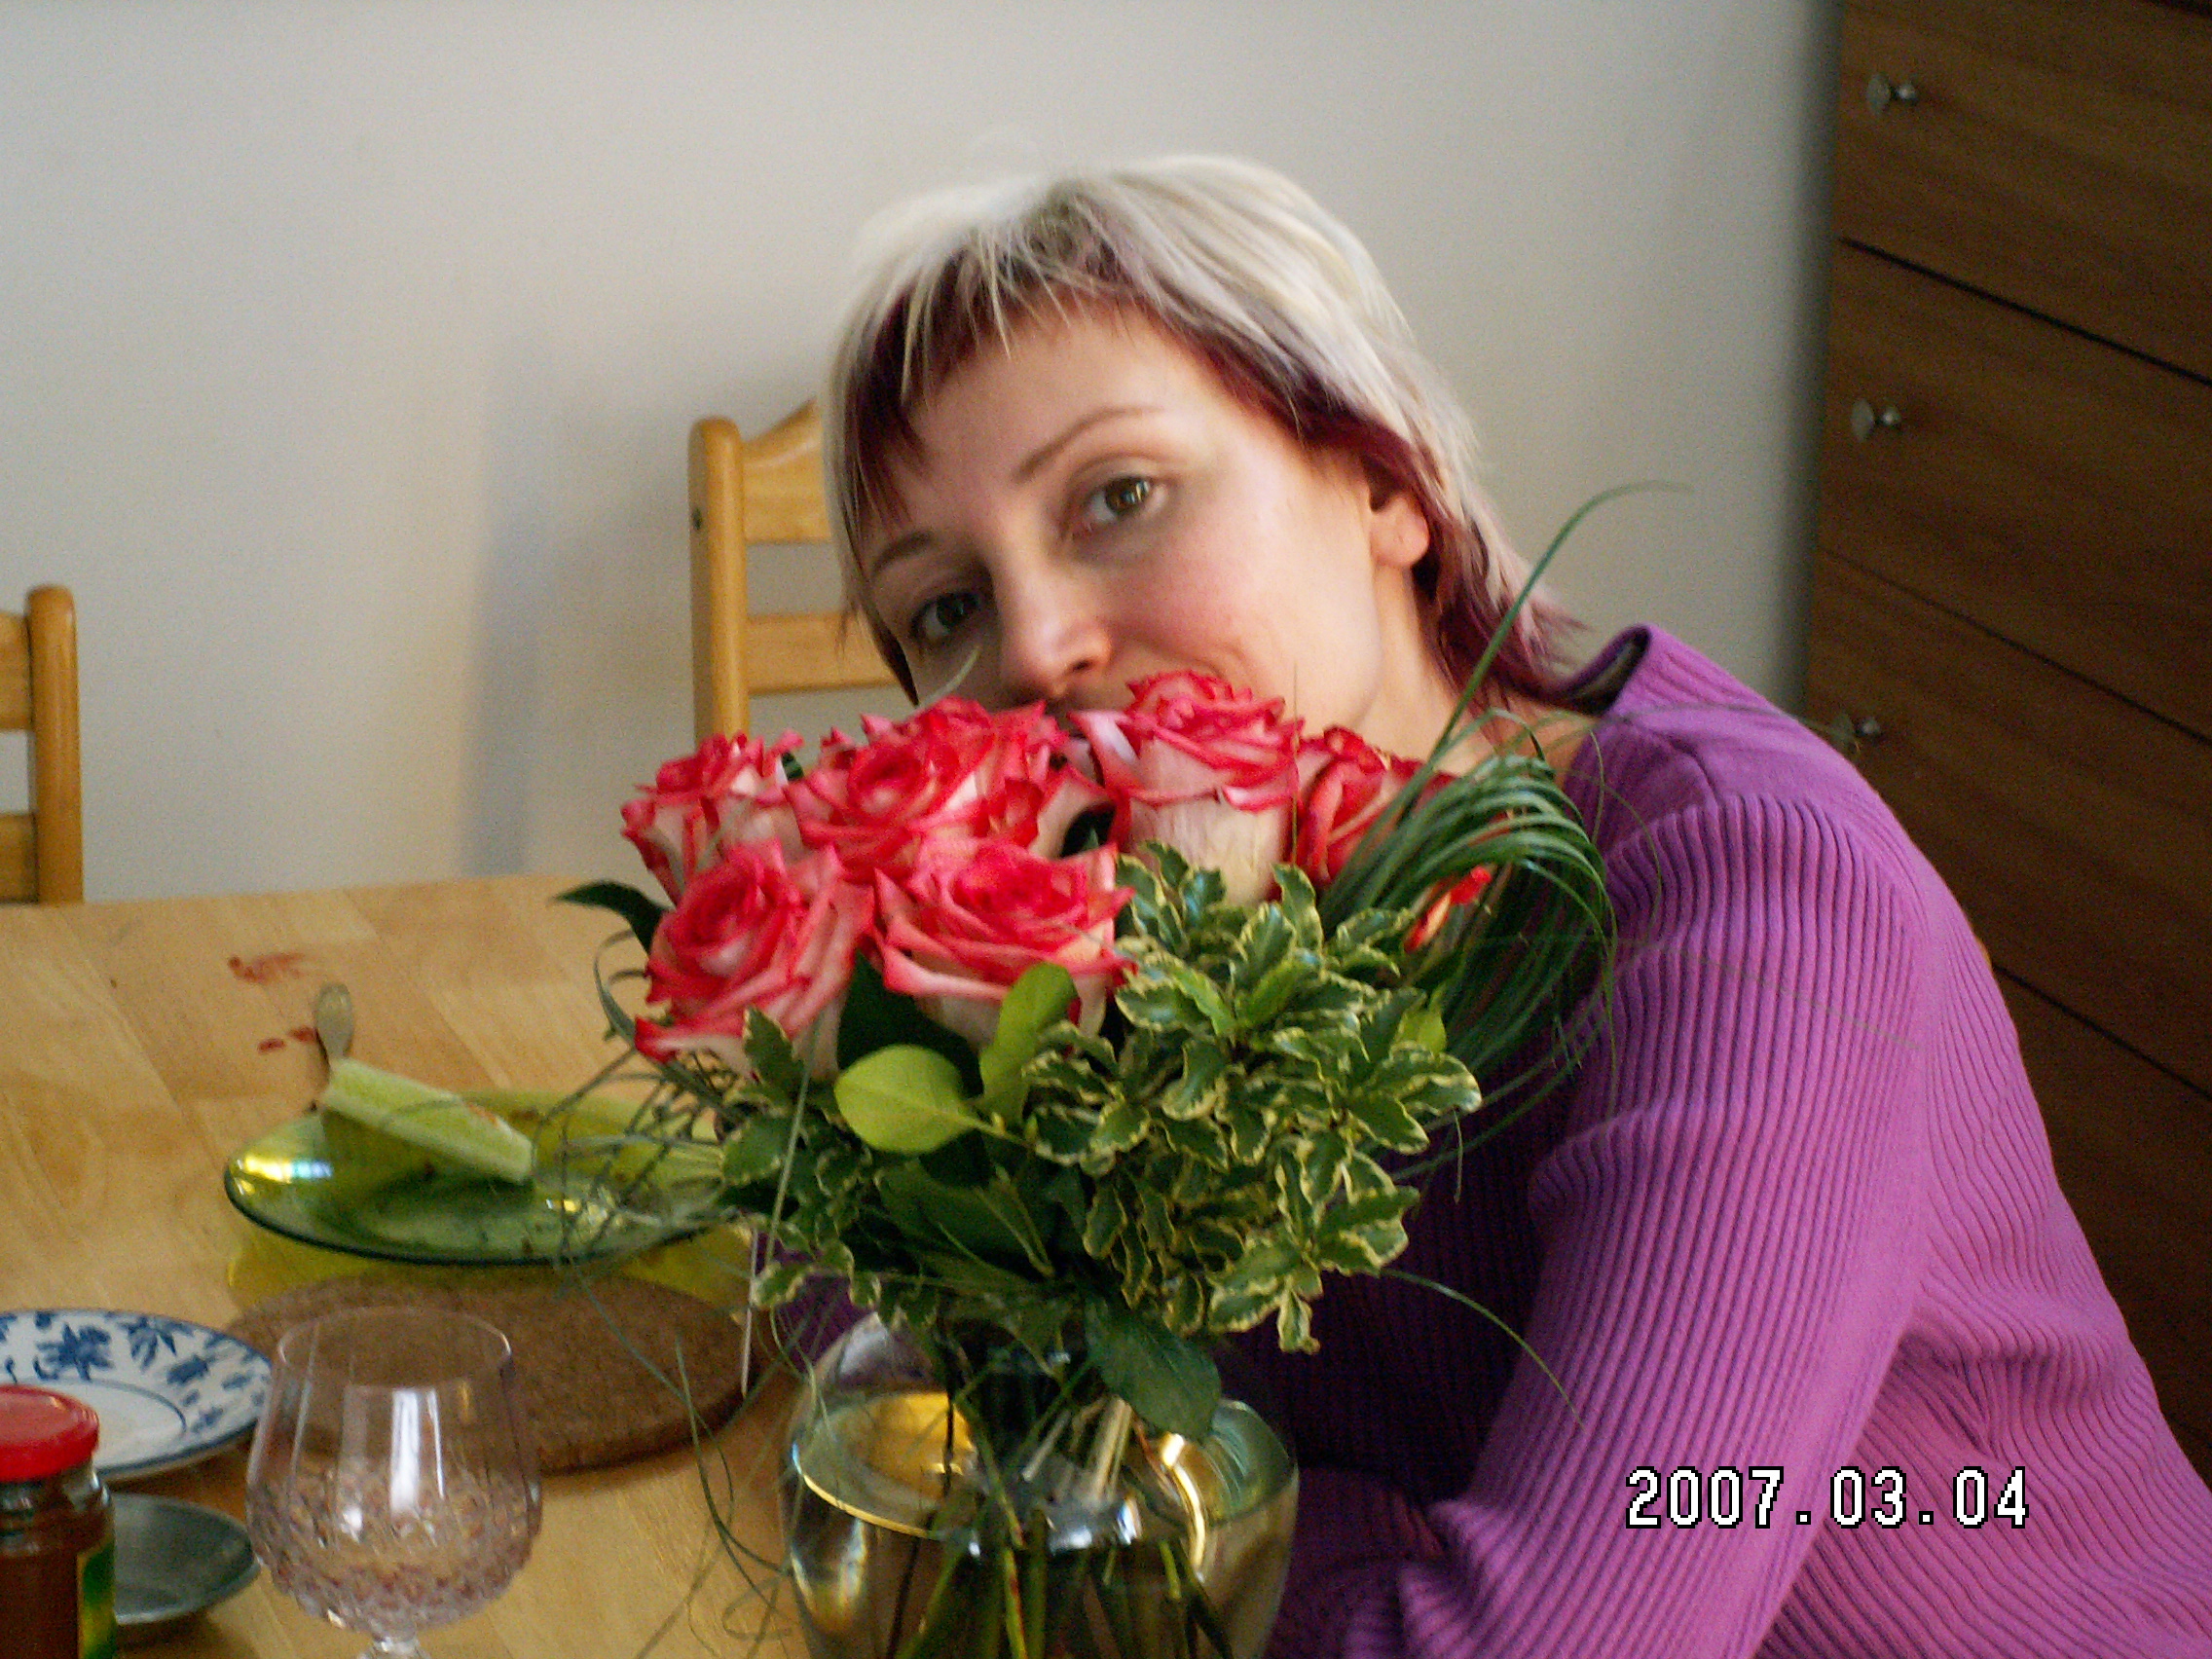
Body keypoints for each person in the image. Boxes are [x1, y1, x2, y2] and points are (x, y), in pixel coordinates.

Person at [813, 156, 2212, 1657]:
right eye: (945, 607)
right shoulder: (1136, 931)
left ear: (1384, 485)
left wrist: (1206, 1525)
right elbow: (839, 1308)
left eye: (1120, 496)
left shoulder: (1756, 888)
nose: (1033, 649)